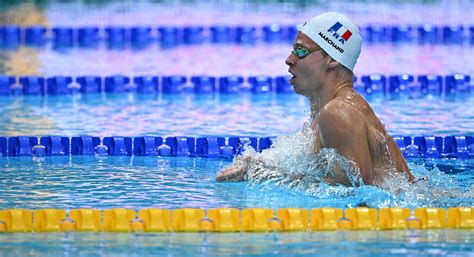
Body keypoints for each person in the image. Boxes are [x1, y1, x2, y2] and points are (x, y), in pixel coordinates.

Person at [216, 12, 415, 186]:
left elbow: (358, 195)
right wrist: (262, 165)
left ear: (332, 59)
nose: (289, 59)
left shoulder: (337, 113)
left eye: (301, 51)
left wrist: (259, 174)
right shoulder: (328, 109)